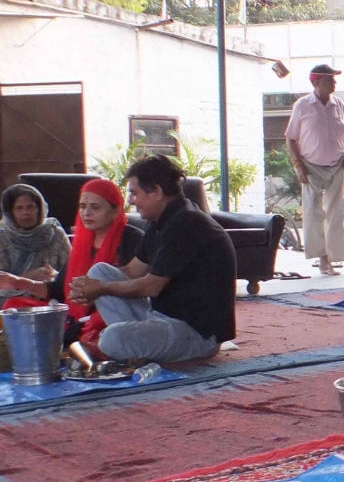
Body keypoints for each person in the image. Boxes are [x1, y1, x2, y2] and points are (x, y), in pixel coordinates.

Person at [68, 155, 235, 362]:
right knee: (100, 272)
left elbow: (150, 287)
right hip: (160, 318)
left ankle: (134, 347)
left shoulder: (186, 223)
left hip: (197, 333)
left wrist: (100, 288)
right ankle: (139, 347)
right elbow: (132, 271)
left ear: (156, 192)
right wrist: (89, 286)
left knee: (112, 339)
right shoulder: (159, 221)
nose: (131, 201)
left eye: (134, 193)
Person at [0, 179, 145, 349]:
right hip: (74, 315)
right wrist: (16, 282)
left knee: (99, 322)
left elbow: (140, 289)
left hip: (110, 312)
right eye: (82, 206)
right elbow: (57, 290)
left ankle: (78, 338)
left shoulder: (133, 239)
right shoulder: (83, 243)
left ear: (116, 211)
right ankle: (75, 337)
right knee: (14, 307)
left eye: (95, 207)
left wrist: (97, 293)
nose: (86, 213)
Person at [287, 64, 344, 276]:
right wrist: (298, 166)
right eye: (329, 80)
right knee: (314, 213)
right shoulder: (302, 105)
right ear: (316, 83)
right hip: (310, 166)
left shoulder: (339, 105)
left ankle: (333, 259)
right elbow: (290, 138)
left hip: (336, 166)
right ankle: (322, 259)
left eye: (334, 79)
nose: (334, 83)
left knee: (335, 214)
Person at [0, 183, 71, 311]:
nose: (26, 212)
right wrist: (29, 277)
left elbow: (72, 275)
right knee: (9, 306)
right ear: (10, 212)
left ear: (39, 209)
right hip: (13, 295)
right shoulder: (2, 236)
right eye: (19, 208)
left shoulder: (55, 233)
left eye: (31, 207)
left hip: (50, 295)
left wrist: (53, 276)